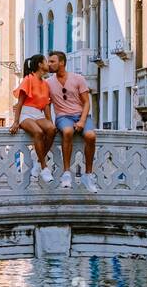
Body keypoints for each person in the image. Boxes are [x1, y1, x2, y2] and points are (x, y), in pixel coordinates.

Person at [46, 51, 98, 193]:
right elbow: (45, 104)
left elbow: (87, 102)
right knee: (68, 132)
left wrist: (82, 121)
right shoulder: (48, 83)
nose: (49, 64)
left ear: (61, 62)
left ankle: (88, 175)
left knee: (91, 136)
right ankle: (66, 173)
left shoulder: (78, 78)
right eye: (48, 61)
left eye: (52, 61)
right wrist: (50, 122)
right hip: (63, 117)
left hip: (81, 116)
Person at [10, 55, 55, 184]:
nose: (48, 64)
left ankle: (37, 163)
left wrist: (49, 121)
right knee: (38, 132)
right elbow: (20, 103)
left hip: (38, 114)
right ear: (40, 65)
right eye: (46, 61)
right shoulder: (28, 79)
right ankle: (44, 167)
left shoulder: (45, 84)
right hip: (26, 113)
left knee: (51, 129)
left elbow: (46, 106)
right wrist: (16, 122)